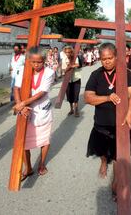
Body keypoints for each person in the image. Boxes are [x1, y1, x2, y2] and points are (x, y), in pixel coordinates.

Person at [84, 43, 131, 200]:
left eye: (110, 58)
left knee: (118, 157)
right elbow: (88, 98)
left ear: (116, 57)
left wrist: (130, 114)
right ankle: (103, 161)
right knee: (102, 150)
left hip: (121, 123)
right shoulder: (96, 75)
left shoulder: (125, 74)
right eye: (103, 59)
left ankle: (116, 184)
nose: (106, 61)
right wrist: (107, 98)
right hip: (101, 123)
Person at [13, 47, 55, 180]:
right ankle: (28, 167)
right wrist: (21, 105)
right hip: (25, 111)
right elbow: (16, 88)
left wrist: (23, 103)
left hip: (42, 109)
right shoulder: (23, 71)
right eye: (33, 62)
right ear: (28, 61)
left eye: (39, 62)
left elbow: (42, 92)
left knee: (44, 140)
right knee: (23, 141)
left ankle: (42, 164)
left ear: (44, 61)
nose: (36, 65)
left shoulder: (49, 72)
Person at [63, 46, 82, 117]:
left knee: (76, 95)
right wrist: (70, 66)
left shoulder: (75, 58)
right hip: (68, 80)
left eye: (69, 52)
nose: (68, 53)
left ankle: (76, 110)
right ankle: (71, 109)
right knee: (69, 95)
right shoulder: (64, 59)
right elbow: (64, 70)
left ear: (71, 52)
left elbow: (78, 65)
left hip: (76, 79)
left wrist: (71, 66)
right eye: (66, 52)